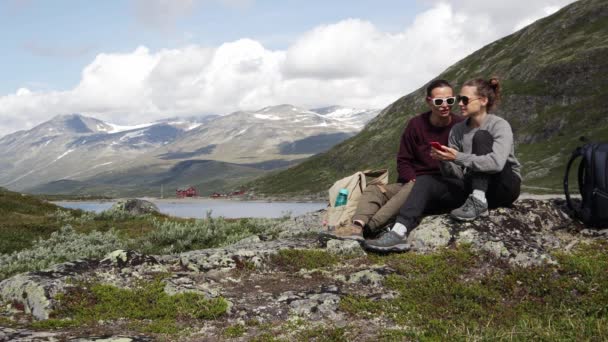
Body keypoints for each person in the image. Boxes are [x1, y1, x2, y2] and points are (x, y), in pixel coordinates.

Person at [364, 77, 521, 252]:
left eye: (464, 99)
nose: (459, 104)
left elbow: (497, 164)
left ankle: (478, 199)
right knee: (425, 180)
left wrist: (458, 157)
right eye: (459, 99)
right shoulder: (458, 130)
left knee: (481, 137)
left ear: (483, 101)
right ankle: (398, 232)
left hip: (503, 186)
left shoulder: (499, 125)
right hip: (470, 190)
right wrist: (444, 160)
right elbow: (456, 175)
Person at [323, 79, 464, 241]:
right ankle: (357, 225)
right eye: (439, 101)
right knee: (375, 189)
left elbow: (466, 162)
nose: (445, 105)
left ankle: (371, 228)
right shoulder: (416, 125)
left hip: (443, 187)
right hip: (412, 182)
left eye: (450, 100)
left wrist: (418, 184)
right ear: (429, 101)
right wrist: (411, 179)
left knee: (417, 186)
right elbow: (404, 160)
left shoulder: (461, 126)